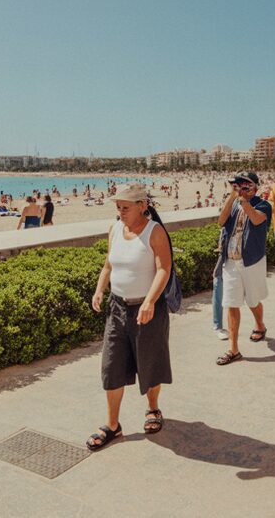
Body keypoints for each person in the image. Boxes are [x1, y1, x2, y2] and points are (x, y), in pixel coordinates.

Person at [87, 184, 173, 451]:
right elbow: (108, 264)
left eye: (125, 207)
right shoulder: (114, 229)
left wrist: (149, 301)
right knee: (111, 366)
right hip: (117, 309)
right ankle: (113, 425)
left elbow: (163, 269)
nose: (120, 212)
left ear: (142, 205)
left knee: (150, 363)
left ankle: (153, 409)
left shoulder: (154, 232)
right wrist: (100, 289)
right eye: (118, 207)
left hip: (147, 311)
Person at [214, 171, 272, 366]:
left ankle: (260, 325)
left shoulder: (263, 205)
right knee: (231, 303)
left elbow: (256, 219)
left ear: (255, 188)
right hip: (230, 260)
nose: (242, 190)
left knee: (252, 299)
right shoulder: (234, 204)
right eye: (239, 186)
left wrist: (245, 201)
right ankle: (233, 349)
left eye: (246, 186)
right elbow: (221, 222)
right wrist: (232, 197)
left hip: (252, 260)